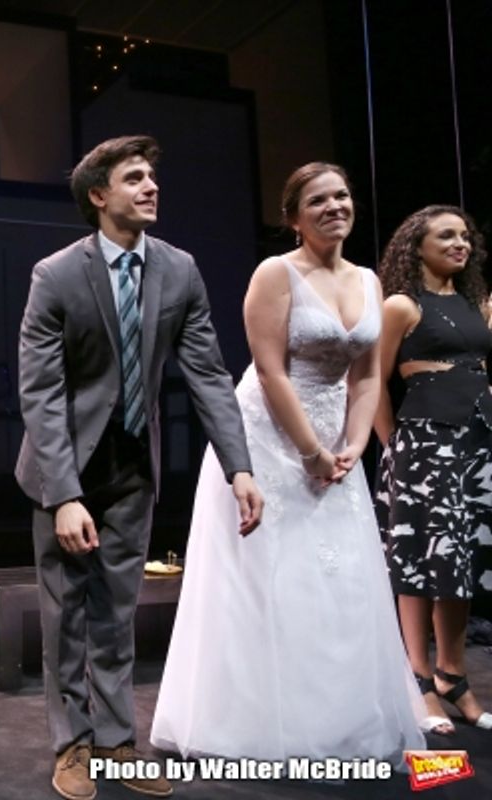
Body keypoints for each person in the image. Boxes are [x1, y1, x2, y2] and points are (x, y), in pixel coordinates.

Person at [150, 163, 427, 763]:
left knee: (342, 577)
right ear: (294, 216)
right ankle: (259, 725)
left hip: (338, 441)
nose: (335, 207)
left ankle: (341, 721)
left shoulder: (369, 281)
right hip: (271, 436)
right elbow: (271, 369)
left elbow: (368, 372)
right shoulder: (276, 274)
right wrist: (311, 452)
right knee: (273, 577)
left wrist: (355, 444)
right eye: (319, 200)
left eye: (343, 196)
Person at [17, 135, 262, 800]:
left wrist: (239, 465)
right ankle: (72, 745)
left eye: (153, 176)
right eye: (134, 178)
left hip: (131, 463)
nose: (151, 187)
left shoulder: (178, 270)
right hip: (62, 464)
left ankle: (117, 743)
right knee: (65, 611)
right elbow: (39, 392)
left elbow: (209, 374)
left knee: (116, 612)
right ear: (99, 196)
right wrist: (64, 494)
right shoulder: (58, 274)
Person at [374, 205, 492, 733]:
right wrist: (390, 446)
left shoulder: (472, 305)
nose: (459, 243)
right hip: (423, 444)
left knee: (464, 564)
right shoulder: (402, 304)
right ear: (414, 245)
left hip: (476, 442)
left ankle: (453, 674)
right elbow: (373, 381)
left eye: (465, 236)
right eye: (446, 235)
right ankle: (419, 679)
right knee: (419, 562)